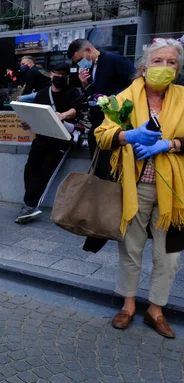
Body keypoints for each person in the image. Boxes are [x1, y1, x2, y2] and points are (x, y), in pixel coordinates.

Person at [95, 38, 184, 339]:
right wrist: (128, 135)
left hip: (174, 192)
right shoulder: (123, 98)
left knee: (169, 256)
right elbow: (102, 136)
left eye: (172, 62)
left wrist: (170, 144)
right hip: (136, 188)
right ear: (144, 66)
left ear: (178, 68)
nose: (165, 67)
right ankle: (129, 305)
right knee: (130, 249)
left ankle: (156, 309)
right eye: (158, 61)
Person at [16, 63, 80, 223]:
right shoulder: (42, 94)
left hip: (60, 141)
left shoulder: (72, 92)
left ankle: (30, 205)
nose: (60, 77)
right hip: (42, 137)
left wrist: (63, 115)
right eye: (57, 73)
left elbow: (75, 110)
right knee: (30, 169)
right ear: (51, 74)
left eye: (63, 74)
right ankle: (28, 203)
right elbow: (36, 114)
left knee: (46, 171)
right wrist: (27, 123)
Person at [67, 39, 136, 178]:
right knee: (98, 170)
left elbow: (135, 84)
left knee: (108, 171)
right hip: (98, 125)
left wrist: (114, 97)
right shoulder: (92, 67)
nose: (80, 64)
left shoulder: (114, 60)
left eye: (80, 59)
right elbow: (95, 94)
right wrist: (85, 84)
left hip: (114, 125)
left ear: (88, 50)